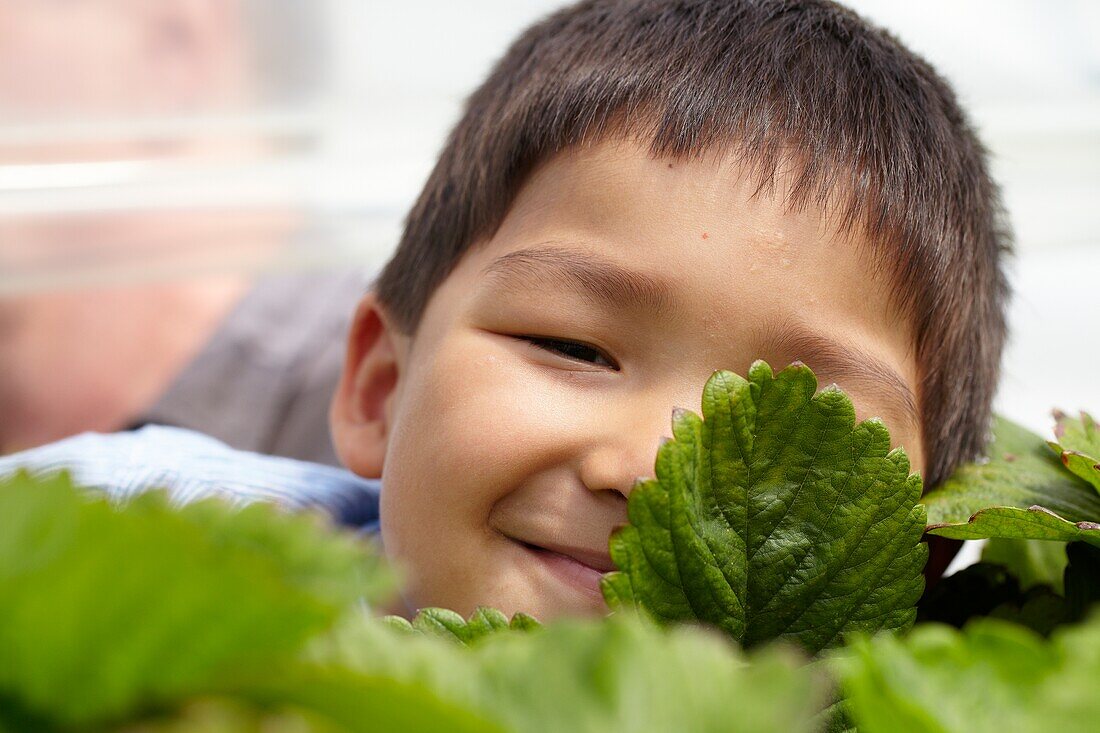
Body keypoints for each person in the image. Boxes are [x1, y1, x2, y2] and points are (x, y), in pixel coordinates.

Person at [0, 0, 1009, 621]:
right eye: (570, 346)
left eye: (788, 424)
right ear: (377, 389)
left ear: (921, 545)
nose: (649, 466)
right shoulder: (122, 530)